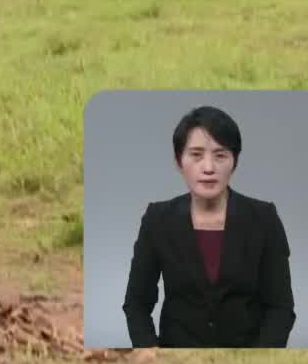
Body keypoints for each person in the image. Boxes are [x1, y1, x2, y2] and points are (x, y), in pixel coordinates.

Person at [122, 105, 295, 348]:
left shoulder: (264, 219)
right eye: (196, 154)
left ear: (234, 161)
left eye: (220, 155)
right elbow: (136, 303)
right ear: (178, 161)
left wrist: (261, 361)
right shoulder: (157, 219)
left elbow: (280, 307)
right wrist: (152, 355)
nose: (208, 167)